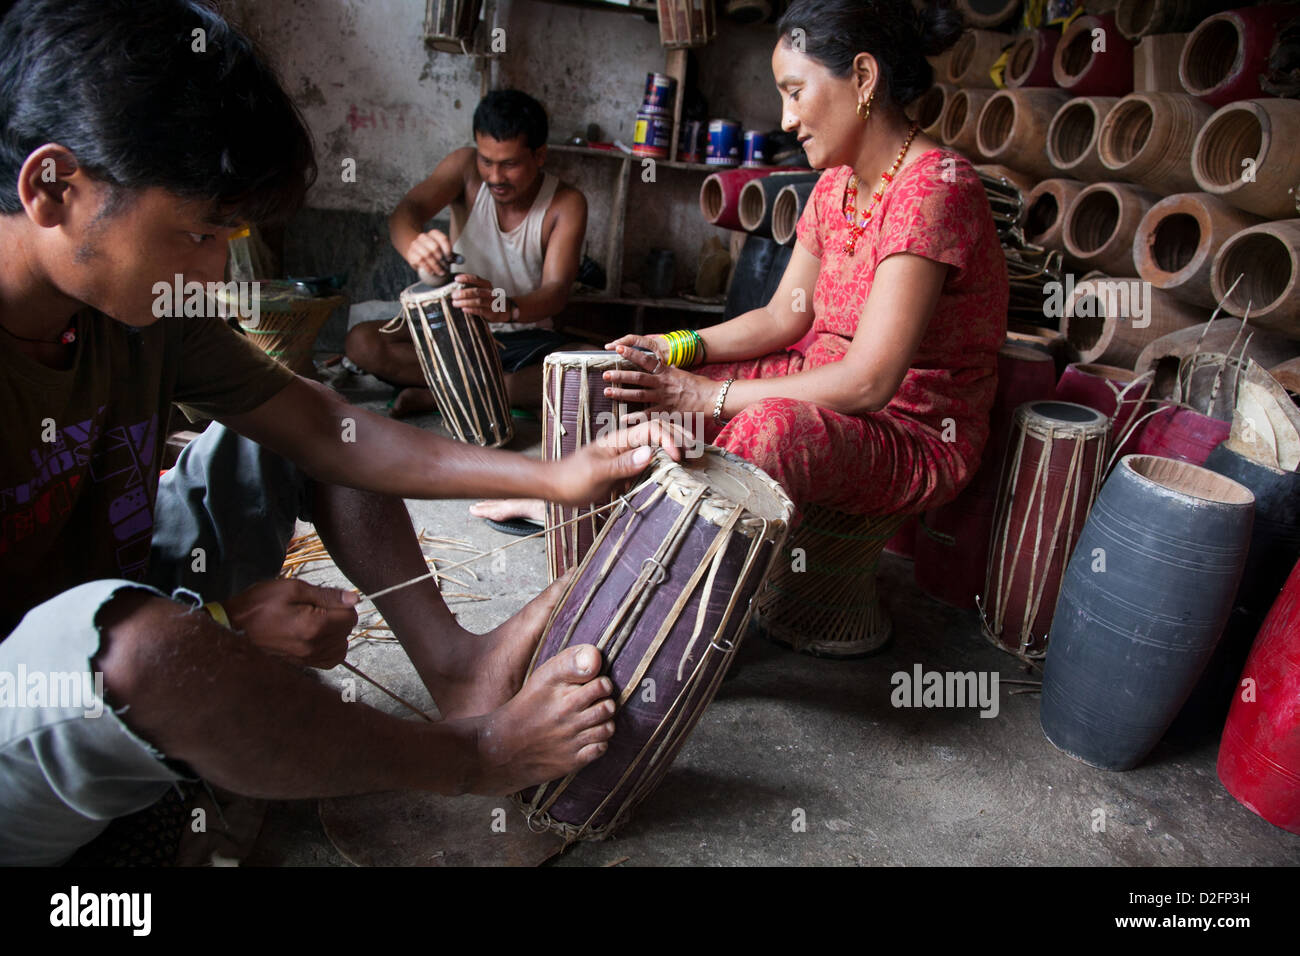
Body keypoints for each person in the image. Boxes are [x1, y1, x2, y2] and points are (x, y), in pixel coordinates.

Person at [0, 0, 683, 865]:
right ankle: (474, 755)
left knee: (304, 423)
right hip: (31, 688)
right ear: (53, 188)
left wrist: (554, 476)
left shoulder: (143, 310)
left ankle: (458, 670)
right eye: (198, 233)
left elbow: (324, 426)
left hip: (120, 580)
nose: (213, 270)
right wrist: (216, 625)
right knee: (146, 656)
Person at [604, 0, 1007, 531]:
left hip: (909, 427)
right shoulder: (834, 184)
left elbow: (868, 382)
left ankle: (655, 578)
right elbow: (780, 319)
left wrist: (712, 395)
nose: (786, 119)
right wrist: (675, 347)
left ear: (863, 77)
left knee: (770, 427)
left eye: (795, 92)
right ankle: (584, 521)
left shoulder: (934, 189)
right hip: (814, 383)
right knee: (642, 389)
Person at [345, 89, 587, 418]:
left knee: (589, 366)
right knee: (362, 342)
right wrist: (414, 243)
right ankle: (499, 389)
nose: (495, 177)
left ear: (540, 155)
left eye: (510, 164)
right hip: (458, 331)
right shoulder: (464, 168)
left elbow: (555, 291)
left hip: (525, 338)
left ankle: (441, 394)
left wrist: (507, 309)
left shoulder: (566, 202)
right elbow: (407, 210)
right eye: (487, 161)